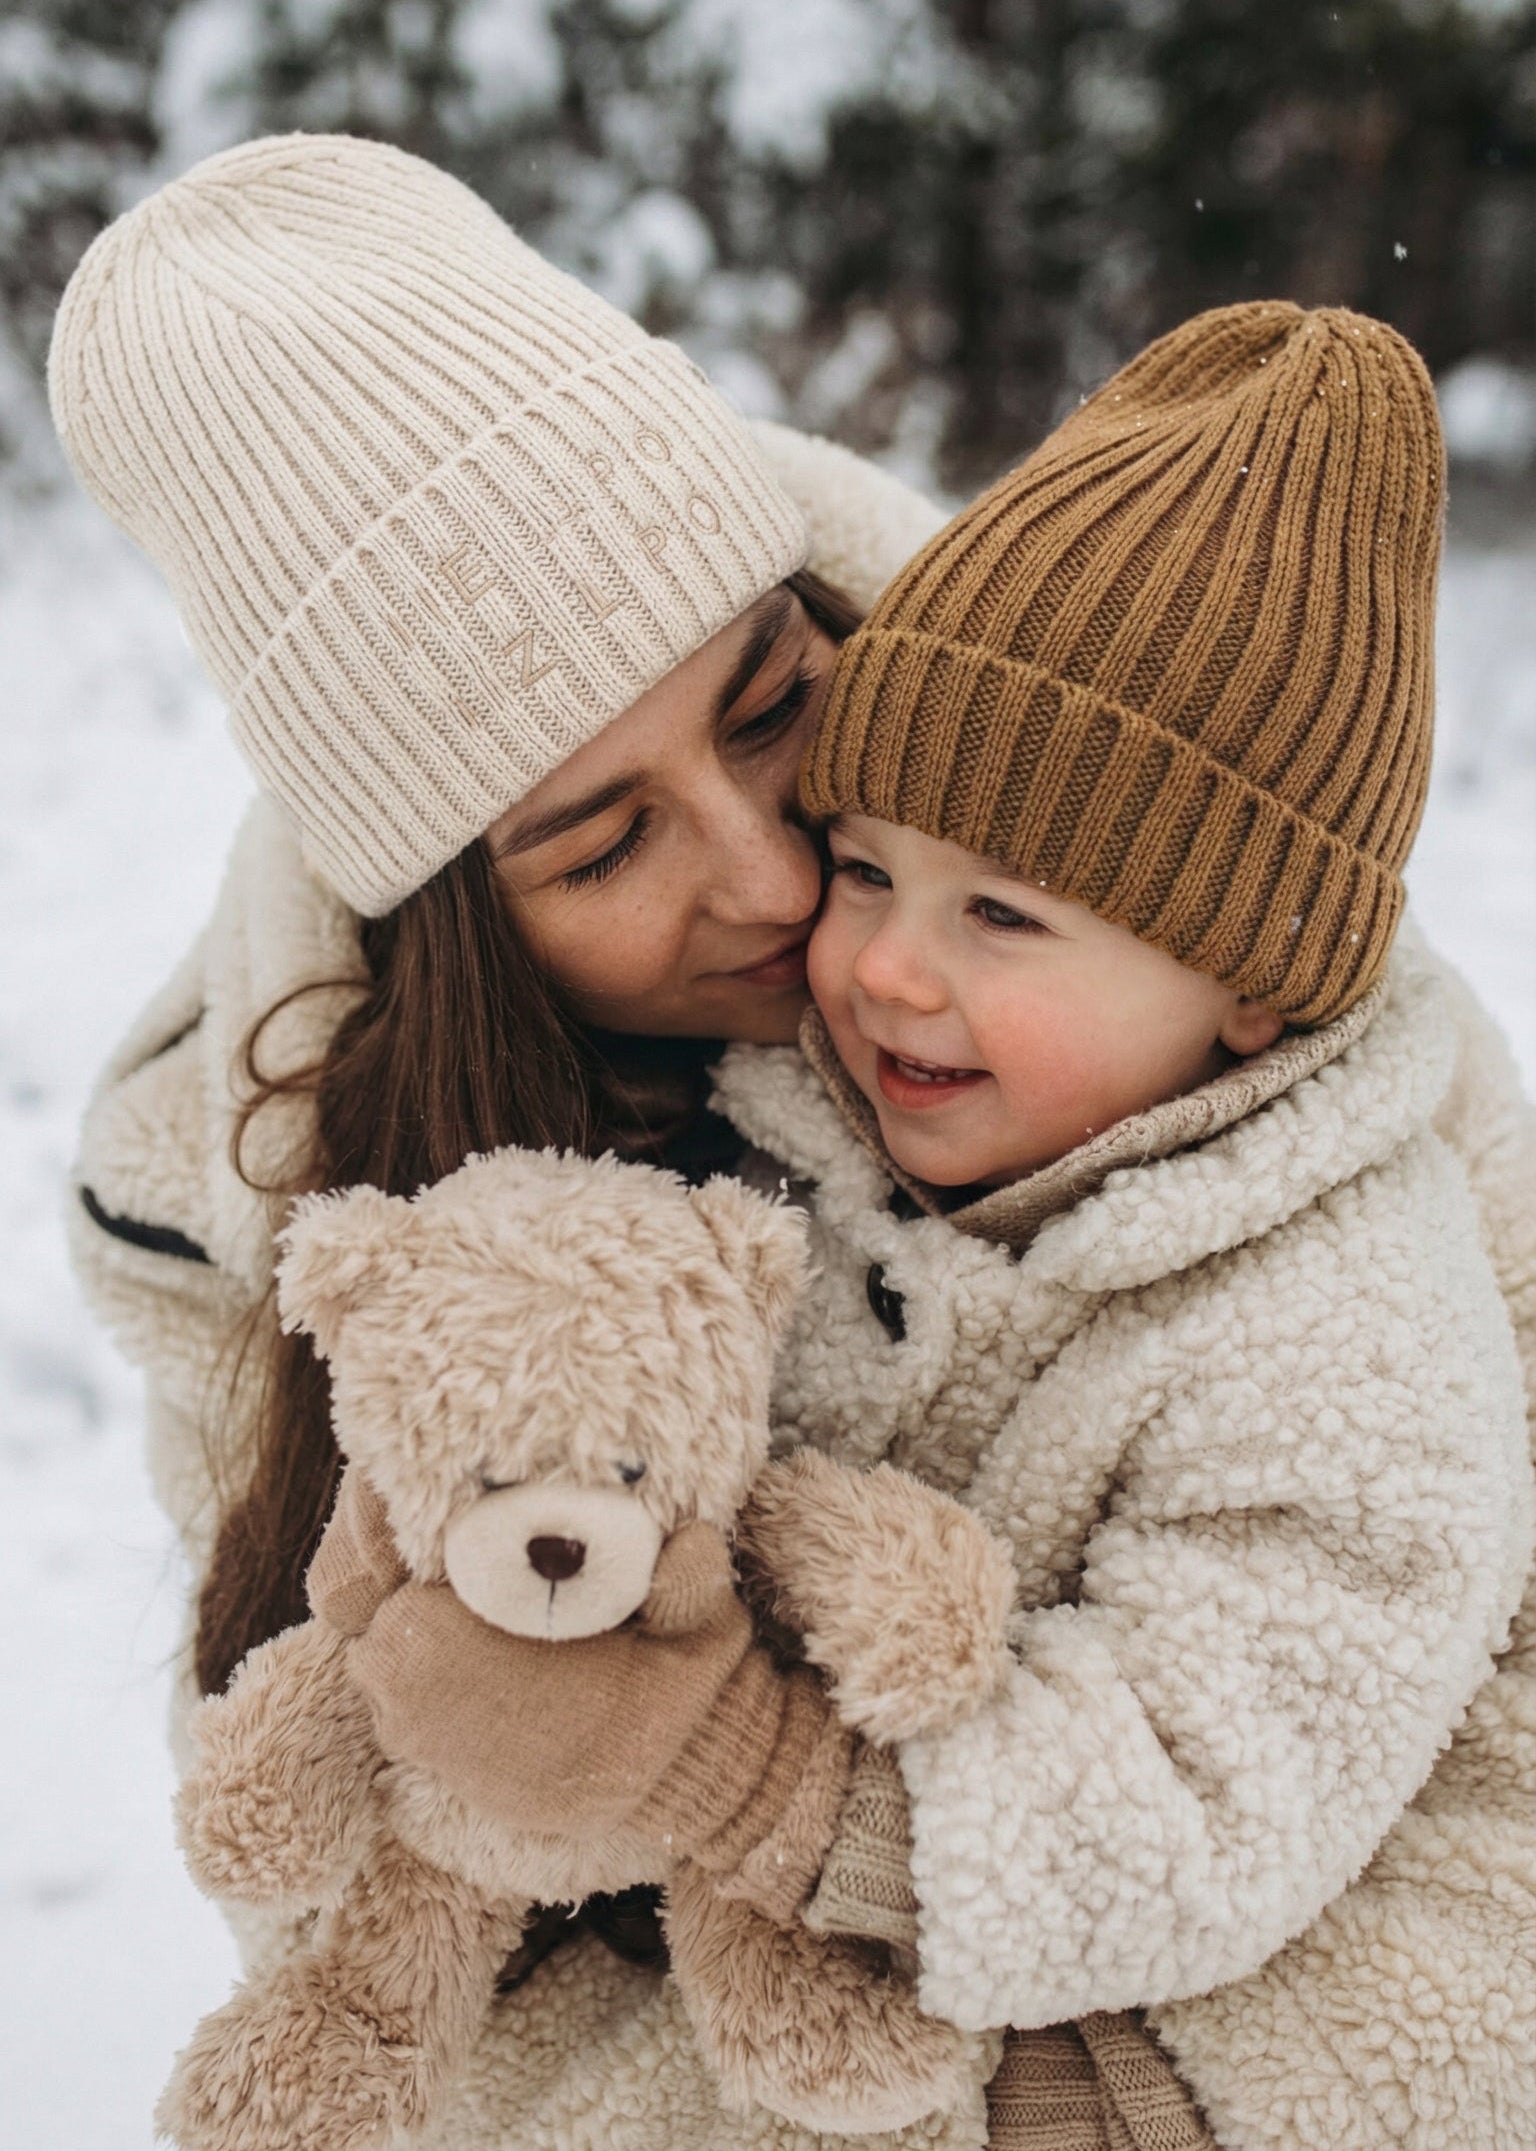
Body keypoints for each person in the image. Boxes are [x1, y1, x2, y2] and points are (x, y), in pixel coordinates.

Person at [53, 132, 1534, 2149]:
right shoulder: (305, 1220)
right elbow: (379, 1911)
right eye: (607, 840)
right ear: (462, 931)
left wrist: (1094, 2095)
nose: (777, 884)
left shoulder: (1161, 889)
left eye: (771, 713)